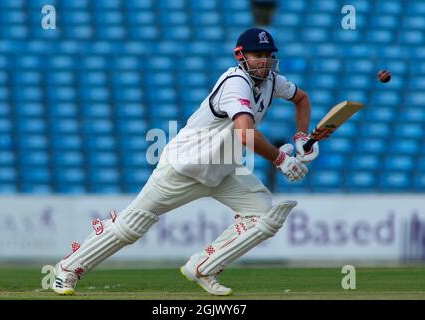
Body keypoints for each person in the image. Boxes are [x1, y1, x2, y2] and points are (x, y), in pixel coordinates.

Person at [52, 27, 319, 296]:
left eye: (268, 55)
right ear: (241, 56)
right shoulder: (236, 82)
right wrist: (280, 158)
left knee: (264, 214)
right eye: (257, 54)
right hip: (185, 166)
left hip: (223, 169)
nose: (263, 60)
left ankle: (204, 266)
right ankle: (68, 268)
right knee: (131, 226)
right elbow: (245, 132)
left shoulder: (274, 81)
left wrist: (301, 135)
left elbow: (302, 98)